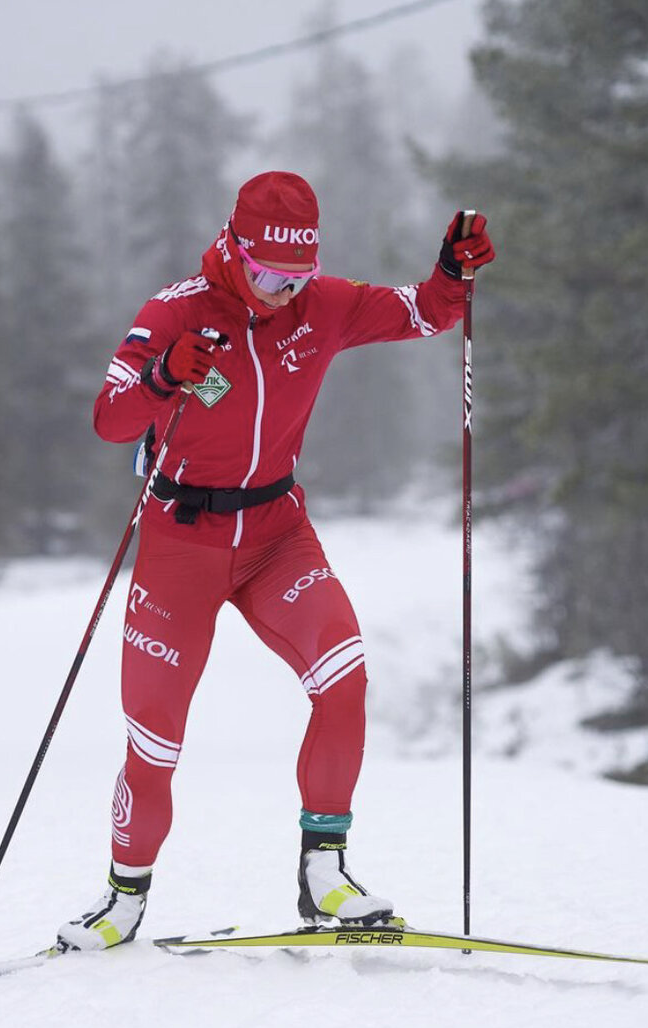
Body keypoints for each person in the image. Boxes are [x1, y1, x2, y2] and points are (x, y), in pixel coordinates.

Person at [56, 171, 495, 950]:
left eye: (295, 277)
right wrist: (164, 376)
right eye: (266, 275)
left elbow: (425, 312)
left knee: (345, 674)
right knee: (154, 738)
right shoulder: (177, 309)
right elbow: (108, 419)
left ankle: (324, 871)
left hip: (275, 533)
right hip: (180, 543)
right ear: (234, 247)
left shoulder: (320, 305)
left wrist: (452, 274)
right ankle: (123, 897)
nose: (279, 293)